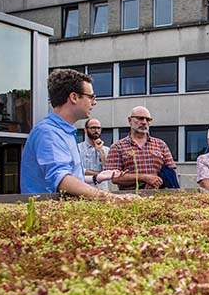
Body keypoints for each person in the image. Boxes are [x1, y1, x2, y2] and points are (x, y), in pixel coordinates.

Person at [20, 69, 125, 198]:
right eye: (91, 97)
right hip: (48, 215)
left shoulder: (64, 132)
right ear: (74, 97)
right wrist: (113, 198)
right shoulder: (48, 133)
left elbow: (71, 178)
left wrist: (96, 178)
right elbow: (63, 181)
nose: (94, 102)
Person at [105, 106, 177, 190]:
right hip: (128, 197)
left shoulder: (161, 145)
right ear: (130, 120)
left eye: (148, 119)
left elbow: (171, 172)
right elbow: (114, 178)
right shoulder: (117, 147)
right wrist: (144, 178)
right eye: (140, 118)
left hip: (158, 196)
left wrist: (157, 181)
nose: (144, 122)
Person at [78, 118, 110, 191]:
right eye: (93, 128)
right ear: (85, 130)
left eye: (98, 128)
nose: (96, 131)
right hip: (83, 190)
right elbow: (79, 170)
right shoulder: (78, 149)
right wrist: (98, 175)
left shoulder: (106, 150)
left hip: (102, 191)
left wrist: (101, 151)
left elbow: (108, 170)